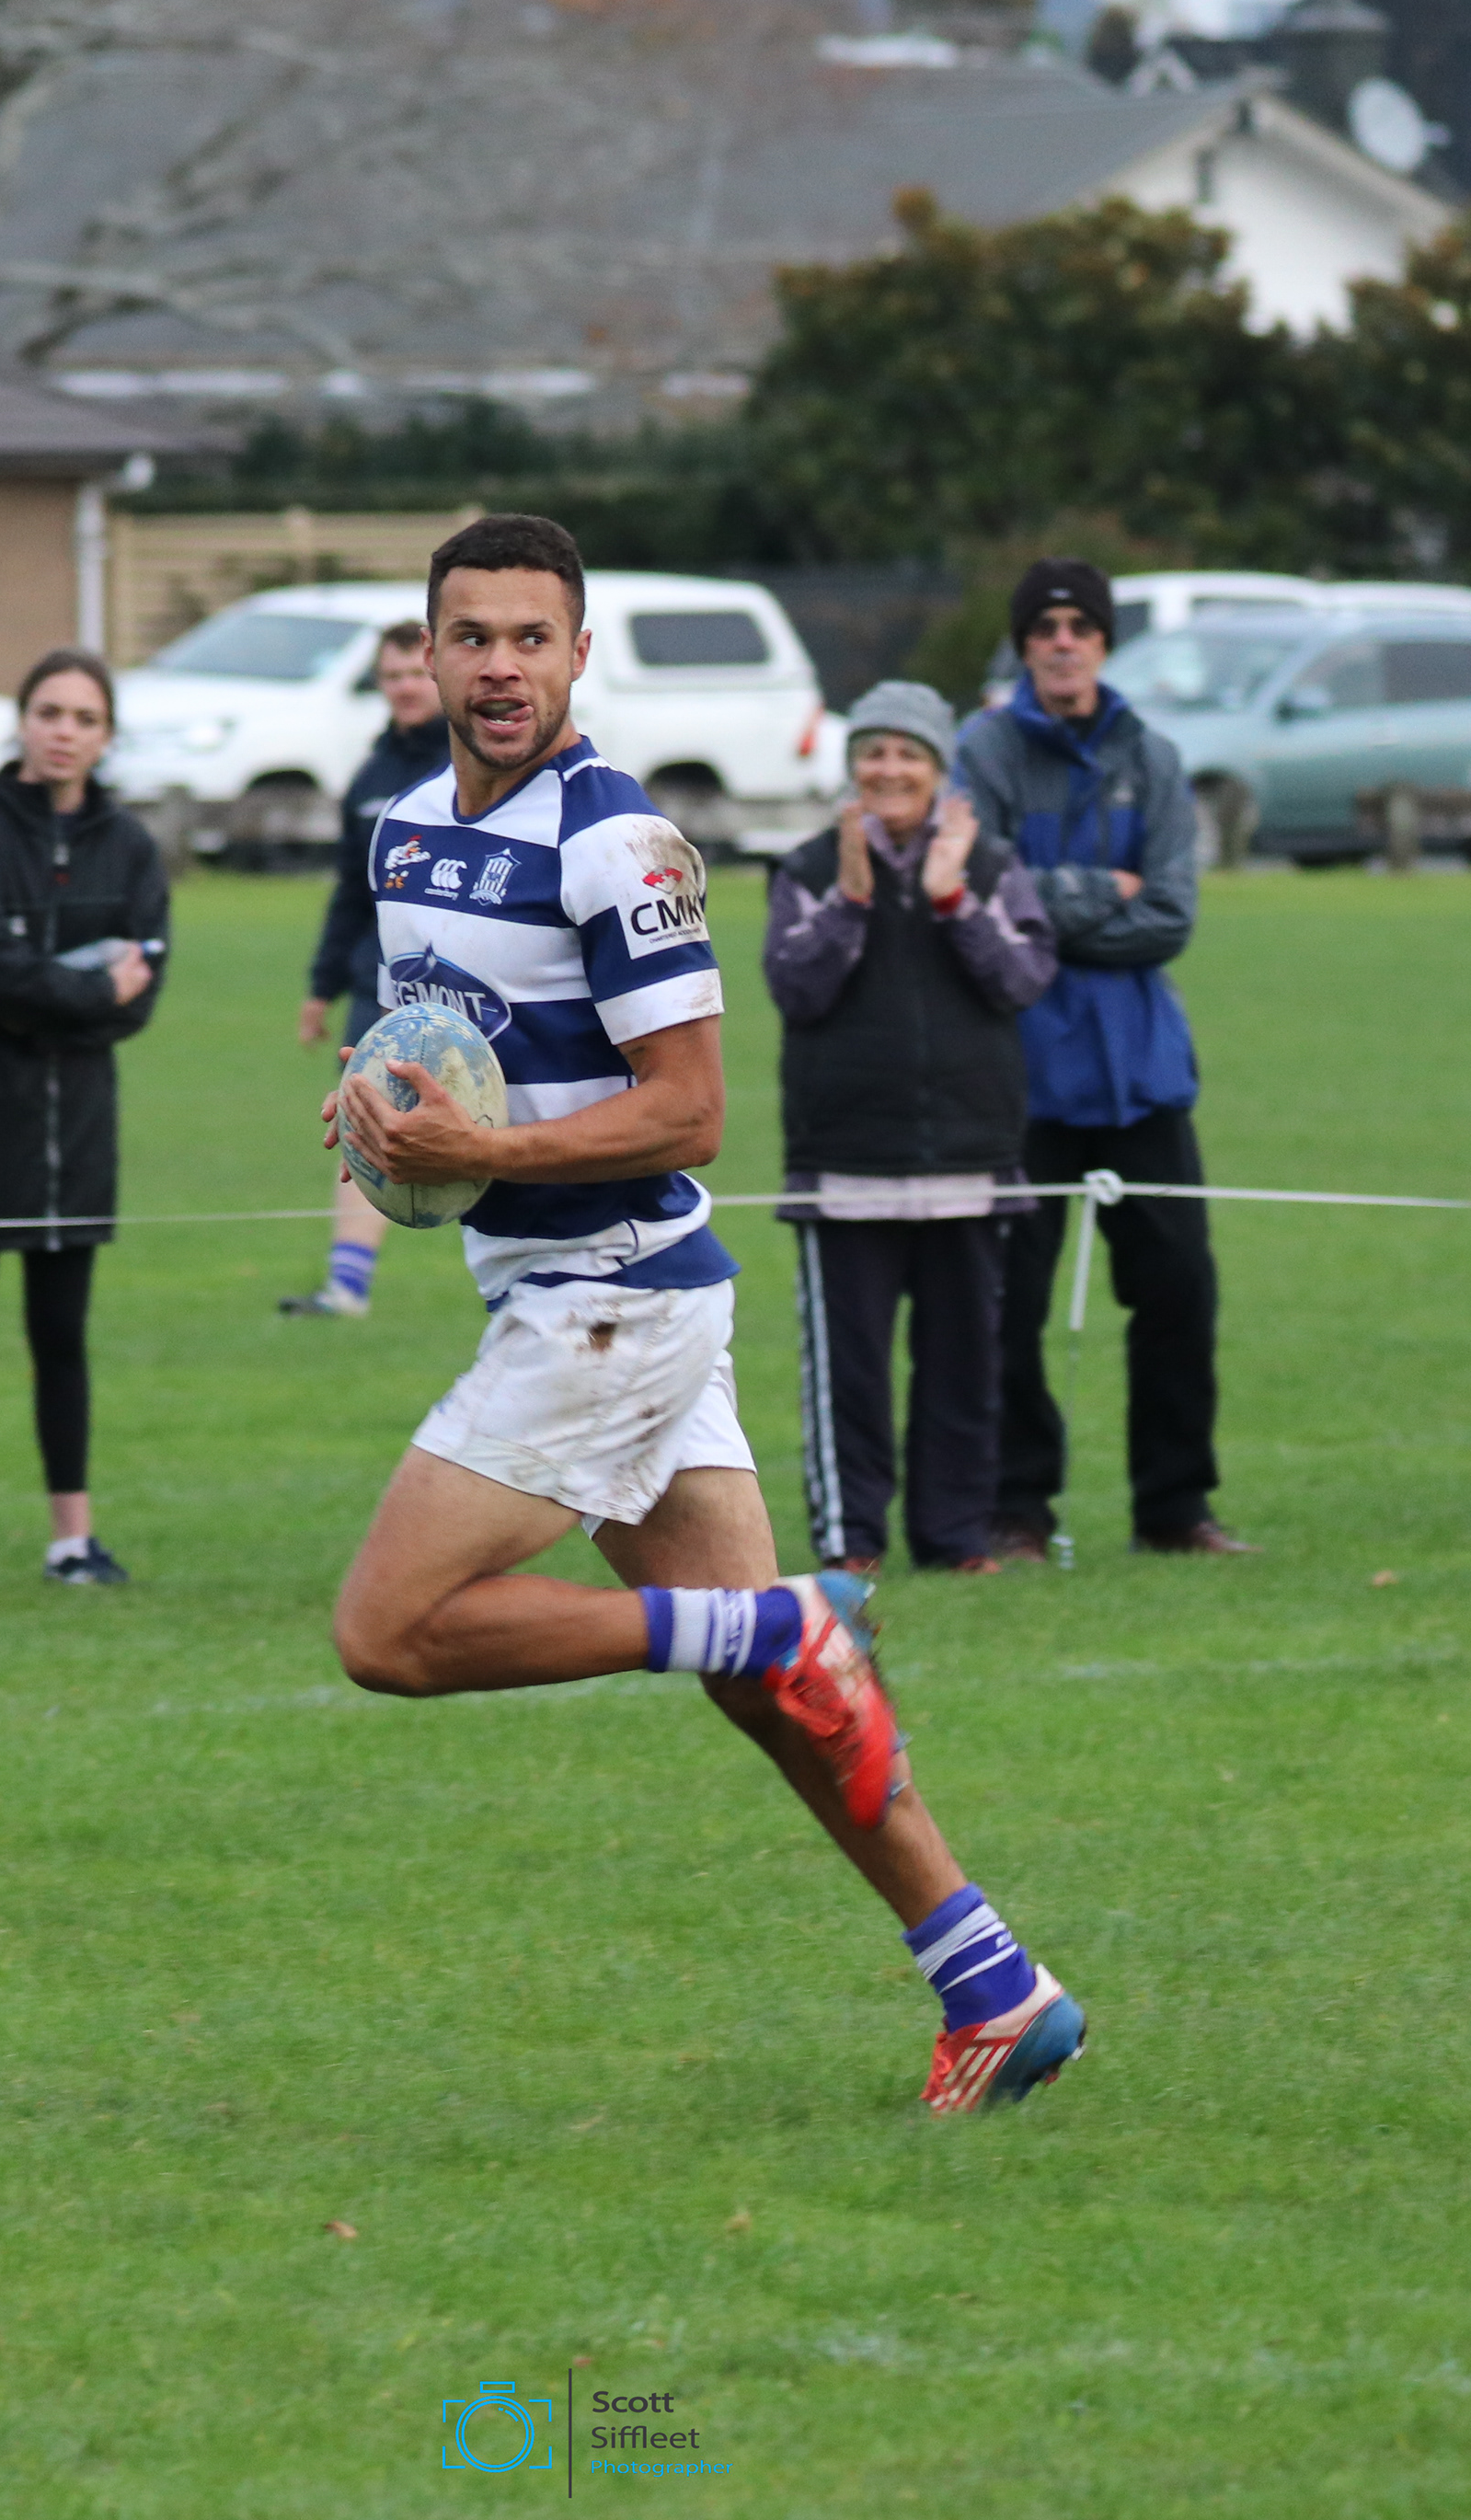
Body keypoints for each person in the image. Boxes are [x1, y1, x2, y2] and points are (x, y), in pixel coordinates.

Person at [325, 513, 1086, 2114]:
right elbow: (442, 1050)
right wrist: (379, 1112)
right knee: (778, 1699)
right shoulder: (401, 833)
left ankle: (774, 1617)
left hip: (609, 1302)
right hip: (588, 1295)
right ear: (429, 654)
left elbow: (690, 1113)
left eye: (532, 638)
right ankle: (994, 1983)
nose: (502, 667)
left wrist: (483, 1154)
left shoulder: (620, 843)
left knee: (388, 1634)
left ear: (579, 653)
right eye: (472, 637)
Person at [957, 557, 1256, 1559]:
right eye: (1045, 628)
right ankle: (1017, 1510)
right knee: (1011, 1307)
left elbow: (1169, 916)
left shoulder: (1153, 756)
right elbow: (986, 898)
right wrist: (1102, 890)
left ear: (1103, 642)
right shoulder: (983, 752)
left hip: (1143, 1075)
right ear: (1024, 645)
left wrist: (1050, 903)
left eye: (1080, 627)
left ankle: (1176, 1510)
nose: (1063, 643)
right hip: (1026, 1078)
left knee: (1179, 1293)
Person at [764, 680, 1055, 1576]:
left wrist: (950, 899)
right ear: (852, 765)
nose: (889, 769)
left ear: (939, 770)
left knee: (964, 1367)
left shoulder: (992, 866)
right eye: (874, 751)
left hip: (970, 1161)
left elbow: (1023, 979)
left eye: (909, 754)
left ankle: (954, 1537)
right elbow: (795, 989)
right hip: (845, 1166)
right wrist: (853, 902)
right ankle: (851, 1541)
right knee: (848, 1373)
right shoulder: (810, 868)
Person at [0, 649, 169, 1592]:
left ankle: (72, 1542)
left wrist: (42, 993)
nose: (64, 731)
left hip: (76, 1126)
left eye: (84, 718)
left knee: (62, 1335)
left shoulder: (129, 847)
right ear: (21, 720)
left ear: (106, 736)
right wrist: (85, 988)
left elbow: (141, 996)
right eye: (49, 711)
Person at [284, 621, 449, 1318]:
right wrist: (321, 987)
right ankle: (347, 1286)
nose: (405, 687)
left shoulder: (471, 764)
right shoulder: (371, 777)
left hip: (464, 982)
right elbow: (351, 892)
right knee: (361, 1121)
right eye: (392, 676)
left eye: (415, 673)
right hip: (376, 984)